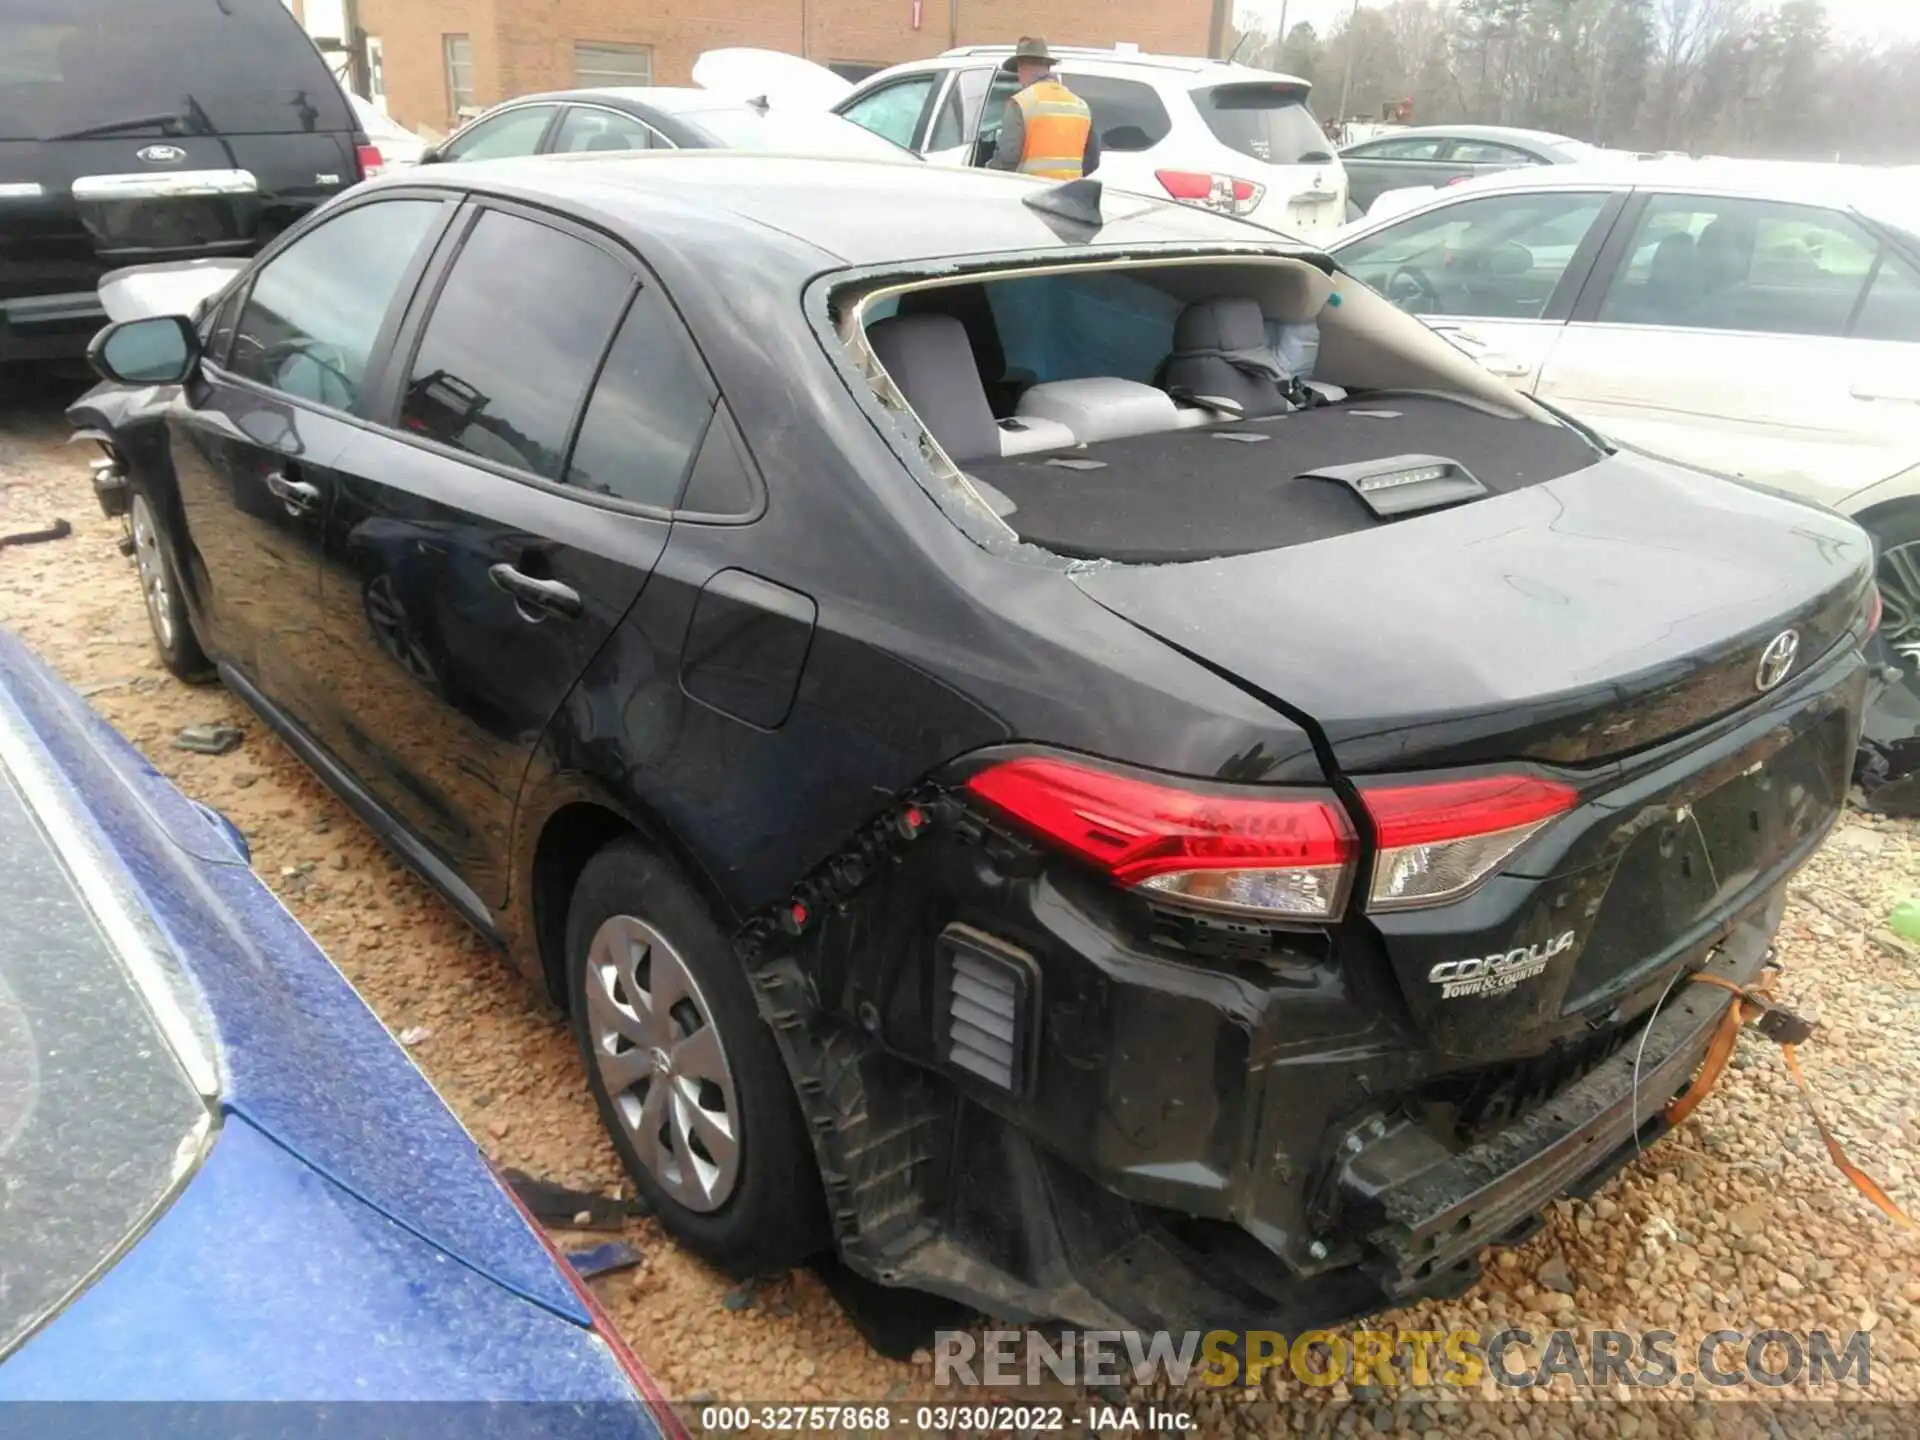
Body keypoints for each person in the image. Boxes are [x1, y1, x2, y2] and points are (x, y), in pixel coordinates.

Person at [986, 37, 1099, 180]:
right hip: (1069, 194)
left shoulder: (1022, 102)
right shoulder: (1080, 105)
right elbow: (1092, 160)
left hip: (1029, 193)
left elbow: (1008, 157)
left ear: (1022, 68)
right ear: (1047, 67)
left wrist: (987, 173)